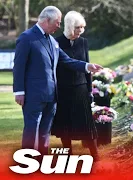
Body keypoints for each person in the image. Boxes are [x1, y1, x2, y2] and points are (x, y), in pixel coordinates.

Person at [12, 6, 102, 157]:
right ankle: (27, 161)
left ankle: (41, 161)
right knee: (32, 129)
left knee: (44, 133)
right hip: (33, 96)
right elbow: (19, 66)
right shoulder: (27, 38)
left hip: (52, 96)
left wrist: (87, 66)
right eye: (57, 22)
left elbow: (67, 61)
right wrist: (19, 91)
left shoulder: (53, 41)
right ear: (47, 20)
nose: (59, 26)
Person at [50, 11, 99, 160]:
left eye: (82, 27)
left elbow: (87, 68)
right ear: (70, 26)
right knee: (65, 125)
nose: (81, 31)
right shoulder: (55, 42)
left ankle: (95, 156)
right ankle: (68, 155)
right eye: (78, 27)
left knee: (87, 124)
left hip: (81, 88)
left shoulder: (83, 42)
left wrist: (89, 90)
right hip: (64, 89)